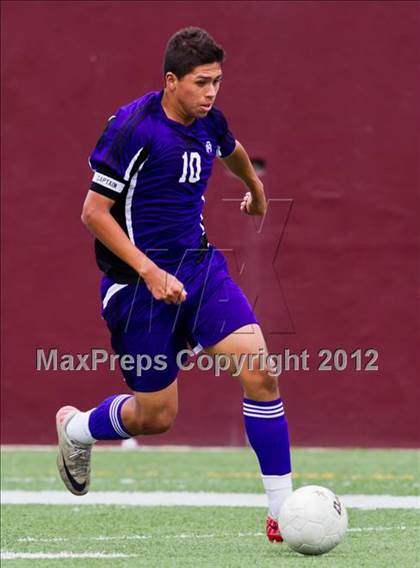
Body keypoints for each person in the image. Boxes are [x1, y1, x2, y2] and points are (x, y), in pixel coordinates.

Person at [56, 26, 292, 542]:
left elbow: (229, 146)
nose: (211, 93)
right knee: (156, 417)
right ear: (171, 81)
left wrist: (252, 184)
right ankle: (76, 429)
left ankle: (283, 512)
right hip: (135, 287)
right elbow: (93, 213)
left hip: (200, 269)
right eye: (201, 83)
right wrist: (148, 270)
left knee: (261, 373)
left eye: (218, 82)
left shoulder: (209, 119)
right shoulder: (133, 128)